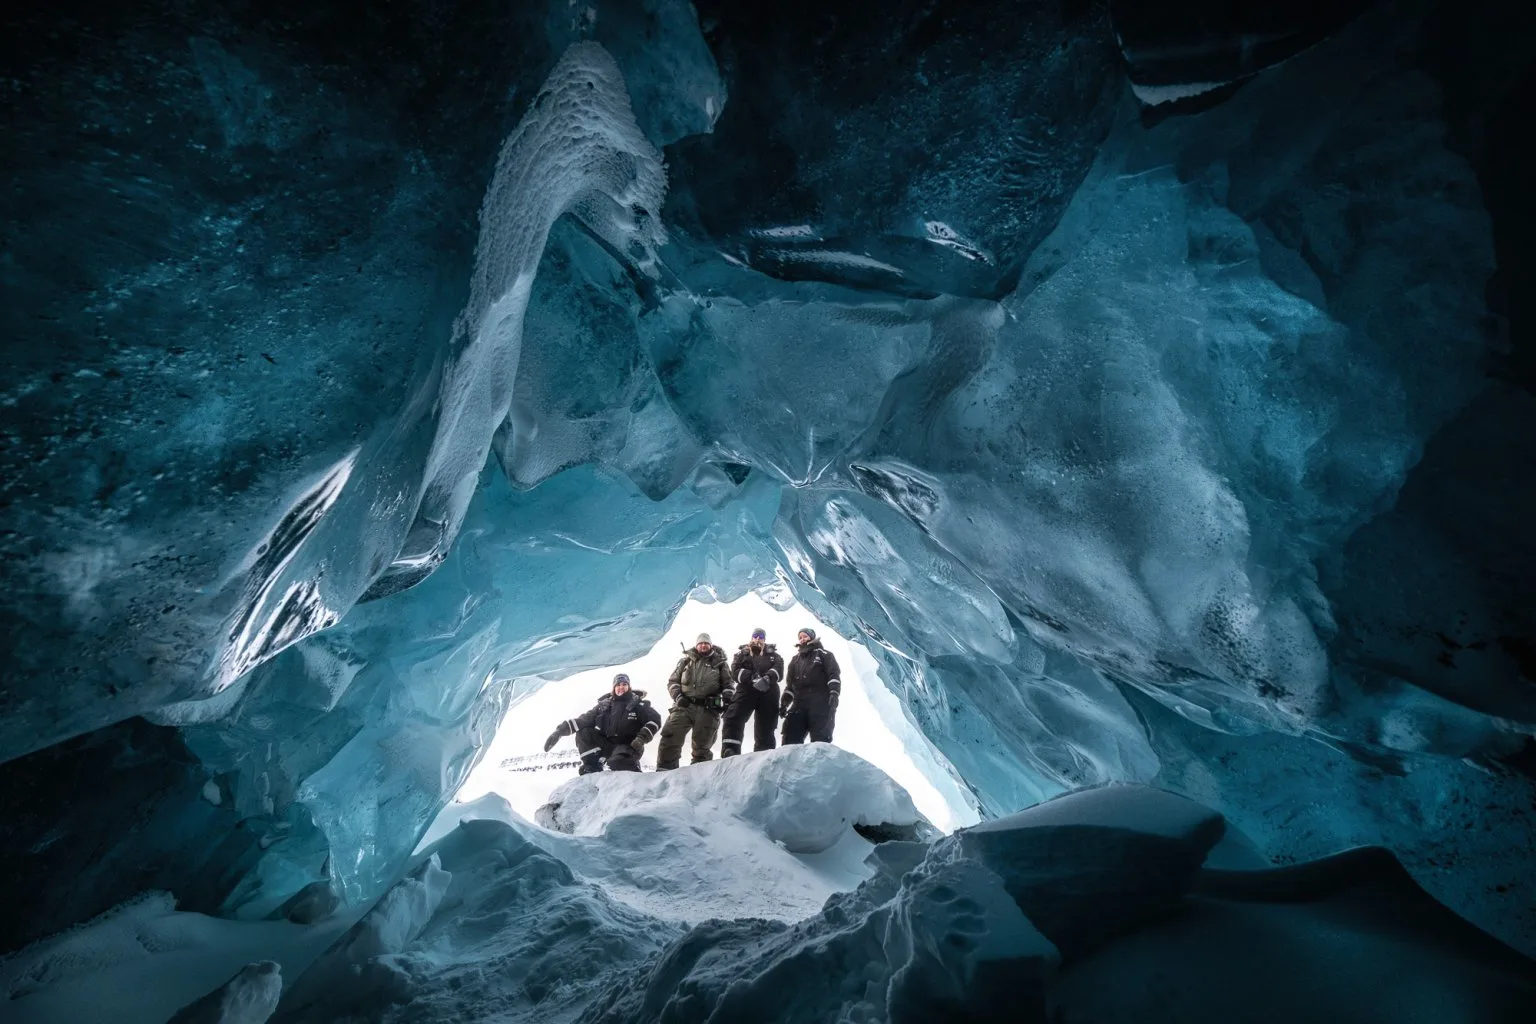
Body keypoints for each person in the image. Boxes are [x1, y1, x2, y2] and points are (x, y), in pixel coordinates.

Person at [543, 673, 661, 774]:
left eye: (624, 684)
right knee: (584, 731)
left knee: (617, 763)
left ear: (629, 687)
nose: (621, 687)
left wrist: (641, 738)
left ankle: (632, 767)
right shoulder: (604, 706)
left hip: (630, 746)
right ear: (614, 688)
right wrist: (559, 732)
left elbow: (655, 720)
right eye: (618, 685)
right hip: (608, 744)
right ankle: (592, 767)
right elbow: (583, 720)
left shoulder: (638, 705)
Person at [656, 633, 732, 770]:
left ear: (710, 645)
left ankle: (697, 777)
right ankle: (664, 772)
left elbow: (729, 685)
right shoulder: (685, 661)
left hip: (708, 710)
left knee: (702, 747)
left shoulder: (720, 663)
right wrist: (678, 696)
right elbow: (672, 682)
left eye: (706, 643)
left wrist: (727, 702)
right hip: (684, 706)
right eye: (700, 643)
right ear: (696, 645)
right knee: (670, 737)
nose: (703, 645)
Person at [722, 627, 784, 757]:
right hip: (746, 690)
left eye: (760, 637)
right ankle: (731, 750)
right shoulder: (741, 654)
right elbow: (735, 671)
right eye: (755, 636)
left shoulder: (775, 656)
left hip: (768, 692)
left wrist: (767, 678)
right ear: (751, 638)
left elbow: (779, 670)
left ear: (764, 639)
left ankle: (763, 755)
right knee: (733, 717)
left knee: (766, 724)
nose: (757, 639)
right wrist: (751, 678)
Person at [781, 627, 841, 744]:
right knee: (789, 738)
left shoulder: (825, 654)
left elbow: (833, 675)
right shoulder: (795, 660)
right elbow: (790, 686)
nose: (802, 639)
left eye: (805, 636)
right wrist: (784, 703)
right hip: (799, 704)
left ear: (812, 637)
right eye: (800, 637)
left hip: (820, 703)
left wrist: (834, 693)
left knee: (820, 741)